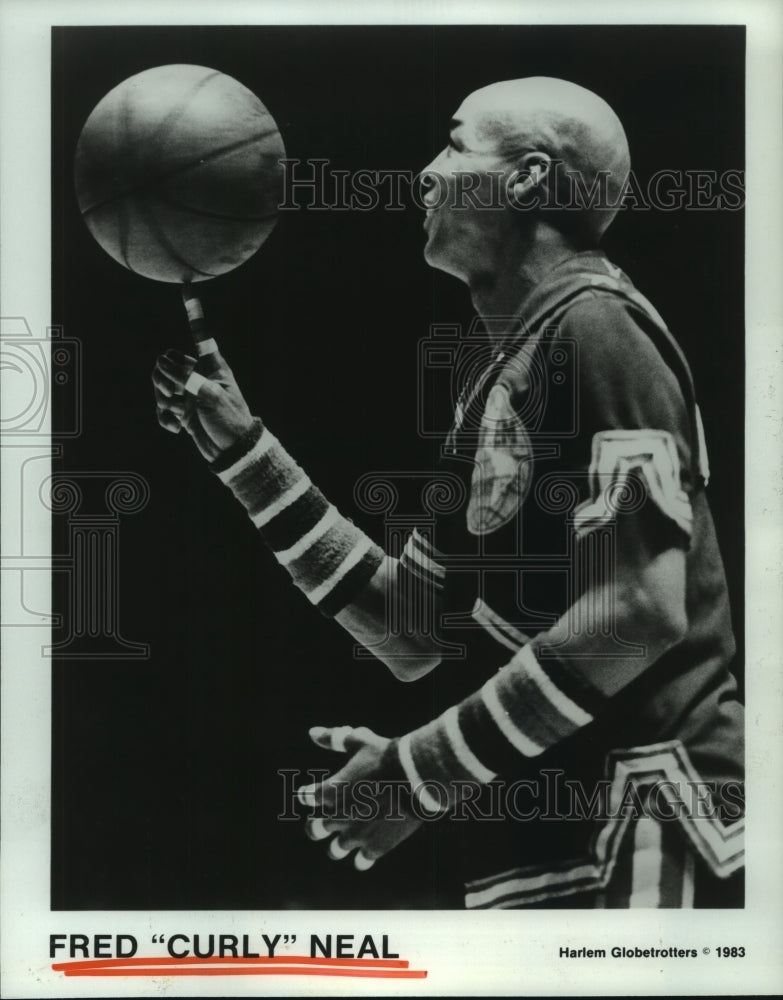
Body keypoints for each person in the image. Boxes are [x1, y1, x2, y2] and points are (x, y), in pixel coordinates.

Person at [152, 77, 744, 908]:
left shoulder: (596, 327)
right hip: (559, 835)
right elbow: (408, 629)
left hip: (654, 824)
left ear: (530, 180)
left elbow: (637, 612)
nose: (424, 173)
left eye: (456, 145)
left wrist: (420, 771)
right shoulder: (502, 372)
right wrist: (247, 454)